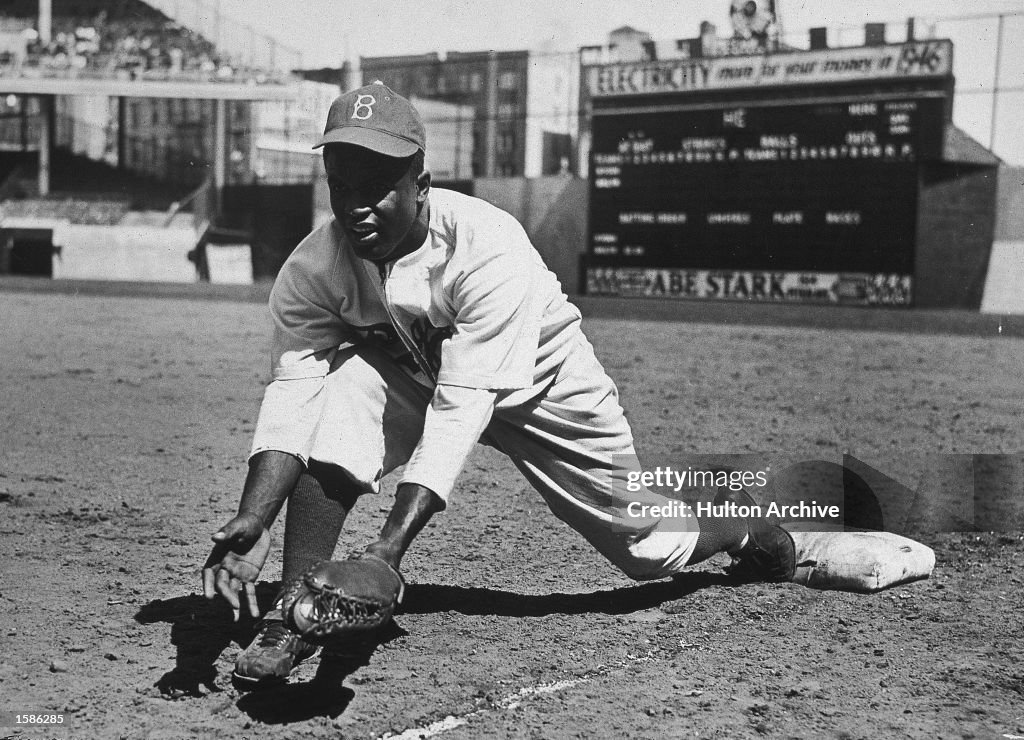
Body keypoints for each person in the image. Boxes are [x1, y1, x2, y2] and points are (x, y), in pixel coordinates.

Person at [202, 82, 795, 686]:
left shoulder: (486, 247)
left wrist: (388, 553)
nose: (357, 205)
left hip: (548, 392)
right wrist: (255, 515)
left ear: (421, 185)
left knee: (645, 547)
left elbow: (461, 411)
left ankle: (732, 520)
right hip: (420, 377)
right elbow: (292, 391)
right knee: (340, 398)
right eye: (342, 184)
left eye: (377, 185)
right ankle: (293, 613)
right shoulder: (313, 268)